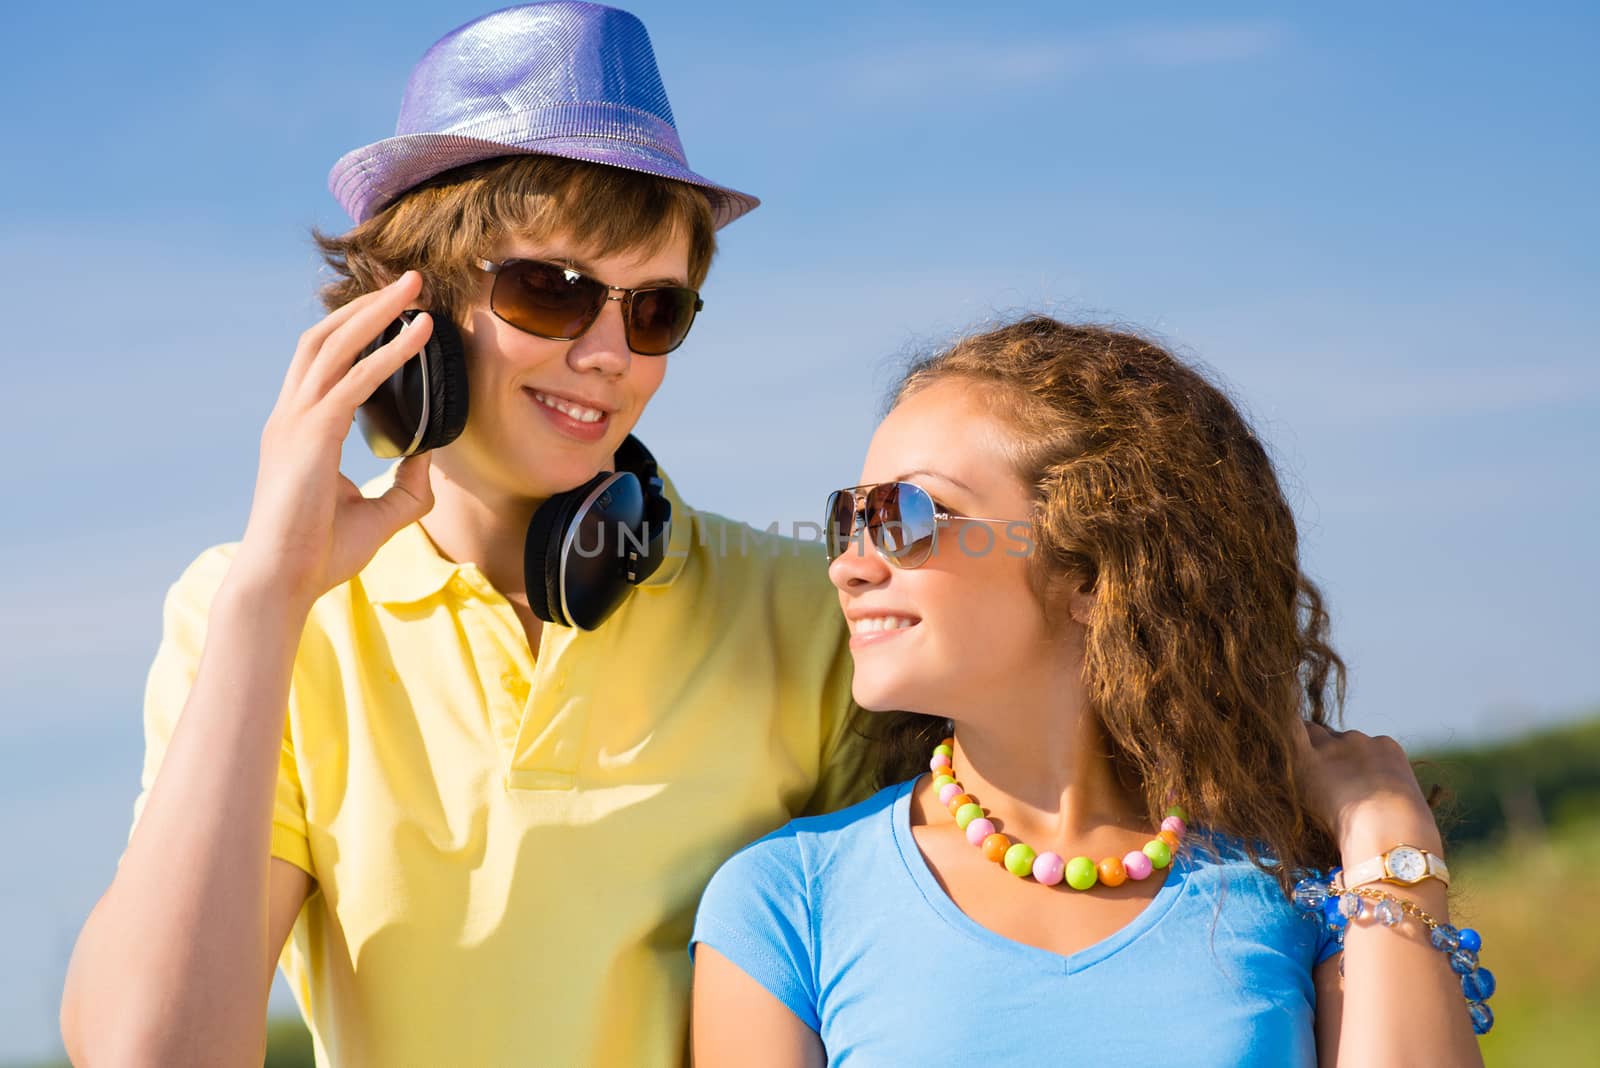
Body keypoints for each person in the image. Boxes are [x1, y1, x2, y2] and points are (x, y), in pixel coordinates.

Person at [59, 5, 868, 1065]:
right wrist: (266, 605)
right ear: (412, 314)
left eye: (655, 310)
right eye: (552, 290)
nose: (610, 353)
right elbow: (152, 1055)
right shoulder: (250, 609)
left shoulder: (808, 607)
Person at [690, 317, 1492, 1066]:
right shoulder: (788, 899)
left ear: (1089, 571)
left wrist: (1386, 833)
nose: (850, 564)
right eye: (848, 519)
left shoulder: (1300, 880)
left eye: (907, 514)